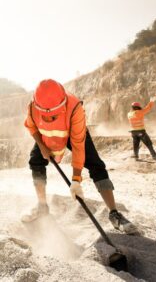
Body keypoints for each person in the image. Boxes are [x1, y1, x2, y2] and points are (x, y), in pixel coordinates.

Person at [23, 79, 139, 235]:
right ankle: (42, 207)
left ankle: (114, 214)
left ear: (62, 106)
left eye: (54, 116)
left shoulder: (75, 108)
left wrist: (76, 180)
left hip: (73, 134)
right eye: (46, 116)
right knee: (35, 161)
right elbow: (32, 127)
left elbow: (78, 146)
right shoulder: (32, 107)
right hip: (47, 137)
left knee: (96, 165)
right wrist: (42, 146)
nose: (50, 119)